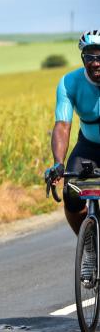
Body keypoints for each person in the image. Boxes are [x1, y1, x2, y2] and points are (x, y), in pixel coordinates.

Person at [45, 30, 100, 280]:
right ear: (82, 59)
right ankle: (89, 249)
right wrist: (58, 163)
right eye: (90, 56)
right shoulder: (70, 83)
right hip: (88, 146)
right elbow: (63, 125)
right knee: (72, 194)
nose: (96, 62)